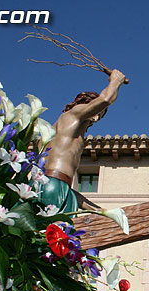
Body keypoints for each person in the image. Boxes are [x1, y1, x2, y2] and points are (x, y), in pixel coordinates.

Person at [40, 69, 126, 212]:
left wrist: (102, 211)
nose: (97, 117)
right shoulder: (72, 115)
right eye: (97, 111)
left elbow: (64, 188)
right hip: (53, 185)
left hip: (57, 187)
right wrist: (116, 81)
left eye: (101, 115)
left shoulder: (66, 136)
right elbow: (105, 99)